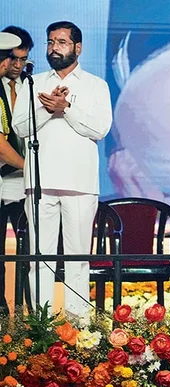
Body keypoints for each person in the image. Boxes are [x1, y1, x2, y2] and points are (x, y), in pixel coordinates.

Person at [11, 21, 113, 321]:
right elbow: (19, 128)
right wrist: (47, 108)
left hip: (80, 184)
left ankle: (78, 326)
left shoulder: (96, 85)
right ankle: (41, 325)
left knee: (78, 258)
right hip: (39, 184)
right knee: (38, 258)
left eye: (62, 42)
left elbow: (100, 129)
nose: (54, 48)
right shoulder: (33, 83)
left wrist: (66, 107)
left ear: (77, 48)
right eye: (50, 42)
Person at [0, 27, 32, 316]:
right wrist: (31, 166)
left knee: (29, 255)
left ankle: (30, 316)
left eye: (23, 60)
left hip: (25, 186)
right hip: (4, 179)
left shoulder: (32, 86)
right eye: (13, 59)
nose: (18, 66)